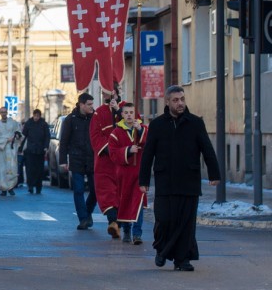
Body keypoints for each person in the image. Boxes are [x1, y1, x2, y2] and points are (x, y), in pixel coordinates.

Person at [139, 85, 221, 272]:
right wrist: (143, 181)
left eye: (182, 99)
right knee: (164, 220)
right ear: (167, 102)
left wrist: (214, 173)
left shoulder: (195, 123)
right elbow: (148, 154)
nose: (180, 103)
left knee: (186, 224)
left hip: (188, 181)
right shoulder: (157, 125)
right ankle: (161, 249)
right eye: (175, 100)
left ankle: (182, 260)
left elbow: (207, 149)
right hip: (164, 181)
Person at [108, 103, 147, 244]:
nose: (129, 115)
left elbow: (150, 142)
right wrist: (128, 150)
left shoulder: (142, 129)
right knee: (125, 202)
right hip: (124, 173)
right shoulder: (116, 133)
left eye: (132, 112)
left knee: (138, 203)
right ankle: (126, 231)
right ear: (122, 115)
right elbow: (112, 154)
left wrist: (140, 131)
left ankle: (137, 234)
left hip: (139, 173)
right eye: (127, 112)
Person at [59, 93, 96, 230]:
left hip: (92, 159)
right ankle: (83, 219)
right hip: (76, 159)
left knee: (95, 190)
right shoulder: (71, 119)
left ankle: (87, 212)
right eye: (89, 104)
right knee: (78, 190)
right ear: (81, 105)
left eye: (92, 104)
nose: (92, 107)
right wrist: (63, 160)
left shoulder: (95, 117)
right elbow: (64, 141)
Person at [90, 85, 122, 238]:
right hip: (105, 161)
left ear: (115, 92)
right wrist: (109, 148)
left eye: (106, 92)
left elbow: (133, 128)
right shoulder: (98, 113)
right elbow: (95, 135)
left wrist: (118, 112)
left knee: (122, 193)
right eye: (102, 92)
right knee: (106, 193)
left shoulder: (126, 108)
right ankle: (113, 222)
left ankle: (121, 225)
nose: (103, 95)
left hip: (123, 160)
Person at [0, 106, 21, 196]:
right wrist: (5, 140)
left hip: (11, 149)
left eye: (5, 112)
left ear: (7, 113)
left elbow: (19, 132)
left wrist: (16, 136)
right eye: (2, 112)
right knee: (2, 169)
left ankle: (11, 187)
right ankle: (3, 188)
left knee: (12, 168)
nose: (4, 114)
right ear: (0, 114)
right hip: (2, 149)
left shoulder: (13, 122)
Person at [22, 109, 50, 194]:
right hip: (30, 150)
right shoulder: (28, 123)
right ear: (33, 115)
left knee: (39, 170)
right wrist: (20, 148)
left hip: (40, 151)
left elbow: (47, 137)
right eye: (35, 116)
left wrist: (46, 147)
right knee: (30, 169)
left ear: (40, 116)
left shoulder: (44, 124)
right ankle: (30, 186)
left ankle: (38, 187)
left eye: (38, 116)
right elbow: (24, 136)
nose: (36, 118)